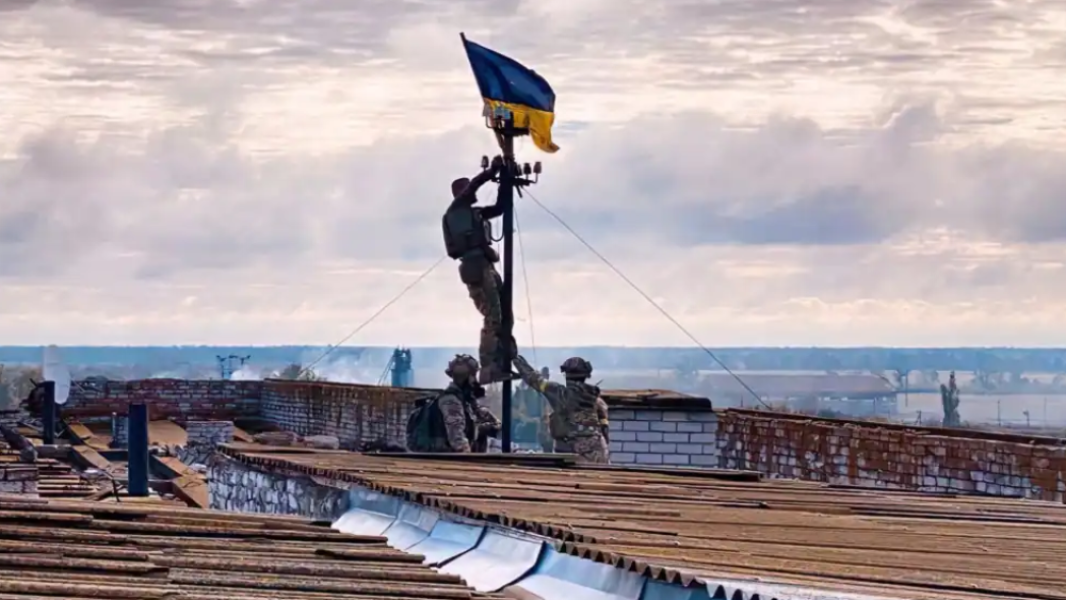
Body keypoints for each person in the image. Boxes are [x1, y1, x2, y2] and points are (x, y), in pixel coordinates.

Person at [442, 156, 516, 384]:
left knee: (505, 314)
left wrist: (505, 180)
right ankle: (488, 367)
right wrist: (491, 172)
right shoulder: (455, 210)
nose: (471, 193)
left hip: (485, 265)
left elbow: (500, 208)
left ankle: (504, 361)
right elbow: (473, 187)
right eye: (466, 189)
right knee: (492, 317)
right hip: (475, 267)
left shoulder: (473, 214)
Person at [512, 355, 609, 463]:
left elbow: (536, 381)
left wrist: (518, 362)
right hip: (595, 449)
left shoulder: (560, 394)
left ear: (566, 375)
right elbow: (603, 418)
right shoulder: (593, 396)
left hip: (570, 450)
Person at [406, 355, 500, 453]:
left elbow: (489, 420)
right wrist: (469, 457)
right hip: (444, 456)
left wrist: (486, 425)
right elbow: (457, 439)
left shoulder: (464, 401)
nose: (475, 381)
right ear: (465, 378)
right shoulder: (451, 401)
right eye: (473, 376)